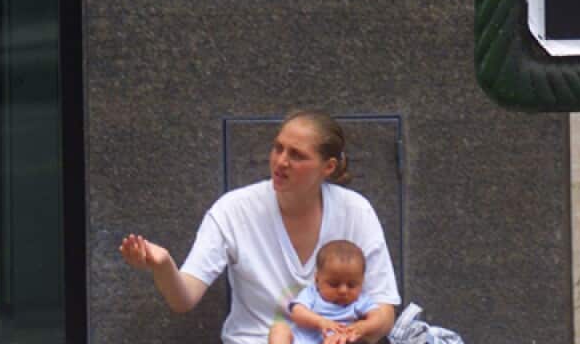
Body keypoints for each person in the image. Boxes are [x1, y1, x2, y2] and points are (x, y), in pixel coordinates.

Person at [119, 111, 401, 344]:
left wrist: (353, 332)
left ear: (328, 167)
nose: (281, 162)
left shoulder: (356, 211)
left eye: (297, 155)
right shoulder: (232, 210)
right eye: (277, 148)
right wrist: (163, 265)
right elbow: (184, 298)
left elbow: (384, 311)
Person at [272, 240, 377, 344]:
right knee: (279, 328)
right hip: (300, 340)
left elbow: (376, 317)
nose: (343, 290)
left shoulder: (360, 300)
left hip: (335, 339)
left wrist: (363, 327)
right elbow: (297, 313)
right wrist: (320, 322)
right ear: (317, 280)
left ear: (362, 282)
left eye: (351, 285)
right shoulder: (312, 293)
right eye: (334, 284)